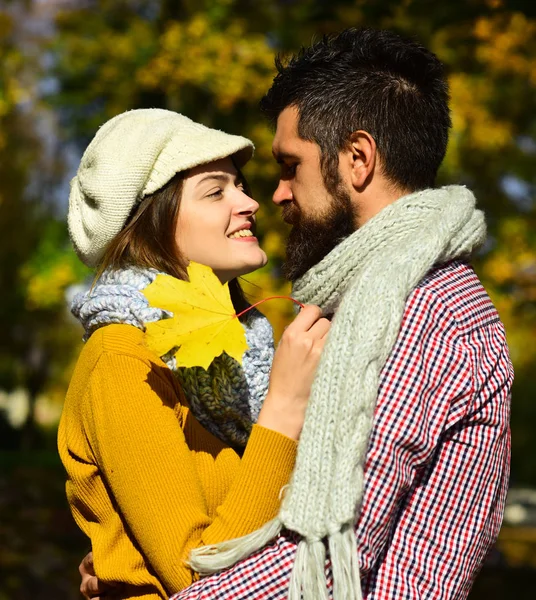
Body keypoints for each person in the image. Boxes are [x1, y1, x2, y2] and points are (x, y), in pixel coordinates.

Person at [81, 28, 512, 600]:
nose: (267, 196)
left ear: (358, 159)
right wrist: (123, 562)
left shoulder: (413, 312)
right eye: (218, 191)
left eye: (289, 166)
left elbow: (320, 556)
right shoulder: (351, 317)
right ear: (155, 222)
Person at [58, 108, 330, 600]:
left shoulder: (240, 355)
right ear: (153, 222)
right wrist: (285, 408)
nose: (249, 202)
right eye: (215, 190)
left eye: (240, 185)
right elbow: (201, 581)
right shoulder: (123, 359)